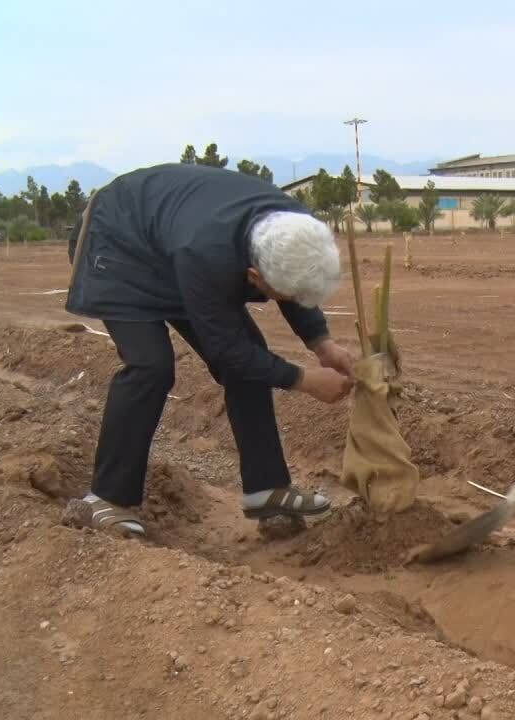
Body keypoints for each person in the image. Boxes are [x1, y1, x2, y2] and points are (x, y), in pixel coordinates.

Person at [64, 163, 355, 536]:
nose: (284, 299)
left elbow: (292, 284)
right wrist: (303, 380)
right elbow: (226, 349)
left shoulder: (296, 227)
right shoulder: (206, 253)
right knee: (151, 365)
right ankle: (107, 500)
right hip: (118, 241)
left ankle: (266, 490)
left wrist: (322, 344)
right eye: (272, 291)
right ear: (254, 275)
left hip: (172, 239)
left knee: (251, 354)